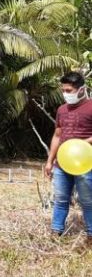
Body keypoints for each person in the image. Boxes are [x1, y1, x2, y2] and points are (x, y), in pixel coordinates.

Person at [44, 72, 92, 239]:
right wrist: (50, 161)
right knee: (61, 199)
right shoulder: (62, 110)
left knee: (87, 201)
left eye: (69, 90)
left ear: (81, 90)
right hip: (62, 163)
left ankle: (91, 234)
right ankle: (56, 231)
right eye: (63, 90)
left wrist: (84, 143)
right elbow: (57, 135)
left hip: (85, 164)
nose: (66, 94)